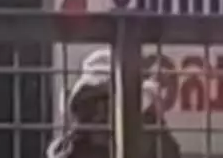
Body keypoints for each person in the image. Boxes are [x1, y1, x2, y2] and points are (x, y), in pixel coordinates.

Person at [48, 49, 181, 158]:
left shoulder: (147, 139)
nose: (101, 113)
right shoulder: (74, 146)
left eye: (109, 101)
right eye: (93, 102)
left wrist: (154, 119)